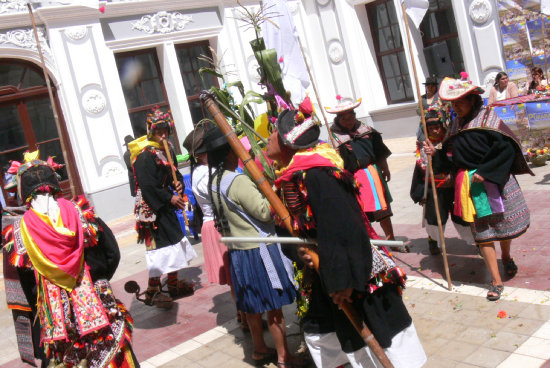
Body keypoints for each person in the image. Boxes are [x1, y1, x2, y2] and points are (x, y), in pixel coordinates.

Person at [266, 108, 426, 368]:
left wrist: (344, 282)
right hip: (324, 272)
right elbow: (296, 230)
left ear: (287, 142)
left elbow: (346, 229)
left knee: (381, 340)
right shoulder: (291, 176)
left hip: (351, 272)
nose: (268, 139)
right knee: (323, 336)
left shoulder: (317, 174)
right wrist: (301, 252)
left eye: (274, 133)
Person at [2, 150, 138, 368]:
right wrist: (95, 278)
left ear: (23, 192)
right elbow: (112, 253)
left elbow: (23, 294)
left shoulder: (18, 234)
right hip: (99, 310)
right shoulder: (83, 213)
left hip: (58, 327)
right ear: (55, 183)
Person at [425, 75, 532, 301]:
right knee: (482, 234)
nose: (456, 107)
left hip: (495, 182)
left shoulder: (488, 120)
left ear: (473, 99)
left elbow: (506, 150)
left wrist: (486, 171)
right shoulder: (455, 124)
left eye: (460, 102)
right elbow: (451, 156)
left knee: (502, 228)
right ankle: (496, 280)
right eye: (453, 104)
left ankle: (506, 256)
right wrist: (436, 153)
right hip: (469, 187)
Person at [203, 126, 302, 367]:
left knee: (252, 306)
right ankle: (283, 357)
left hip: (239, 252)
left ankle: (259, 348)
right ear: (229, 153)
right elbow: (264, 212)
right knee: (274, 306)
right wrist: (272, 192)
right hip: (260, 250)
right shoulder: (236, 180)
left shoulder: (214, 181)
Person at [129, 107, 197, 307]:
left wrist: (179, 186)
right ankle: (152, 292)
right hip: (152, 209)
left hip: (165, 204)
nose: (163, 135)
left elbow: (171, 178)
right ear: (151, 132)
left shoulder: (167, 151)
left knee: (175, 243)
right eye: (159, 132)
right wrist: (169, 198)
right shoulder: (144, 156)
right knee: (158, 249)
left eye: (166, 130)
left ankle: (173, 285)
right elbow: (148, 185)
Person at [327, 97, 407, 252]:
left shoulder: (366, 130)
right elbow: (331, 162)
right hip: (351, 178)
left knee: (382, 208)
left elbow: (379, 151)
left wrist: (385, 167)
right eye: (345, 119)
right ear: (338, 119)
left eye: (351, 118)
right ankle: (369, 243)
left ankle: (391, 238)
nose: (349, 122)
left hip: (372, 173)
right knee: (359, 211)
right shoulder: (333, 137)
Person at [410, 106, 474, 255]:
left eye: (437, 127)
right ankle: (433, 239)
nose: (435, 131)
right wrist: (419, 194)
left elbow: (457, 161)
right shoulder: (423, 145)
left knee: (462, 213)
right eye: (430, 128)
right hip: (434, 188)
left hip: (452, 185)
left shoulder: (451, 140)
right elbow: (420, 171)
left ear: (443, 125)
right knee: (434, 215)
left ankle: (475, 239)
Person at [416, 75, 448, 141]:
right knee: (422, 133)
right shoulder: (422, 98)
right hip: (426, 120)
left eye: (432, 86)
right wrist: (425, 112)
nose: (430, 88)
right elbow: (418, 109)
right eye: (428, 86)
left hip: (439, 120)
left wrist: (440, 109)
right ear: (426, 87)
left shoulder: (440, 96)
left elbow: (447, 105)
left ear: (435, 87)